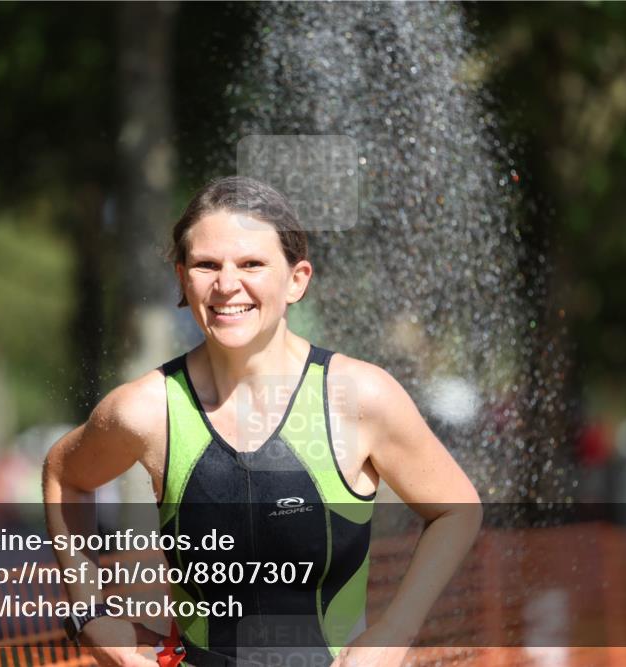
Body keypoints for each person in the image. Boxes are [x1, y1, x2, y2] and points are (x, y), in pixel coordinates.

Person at [43, 176, 483, 667]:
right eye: (207, 265)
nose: (227, 284)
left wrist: (395, 631)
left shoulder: (359, 397)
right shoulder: (147, 410)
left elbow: (457, 510)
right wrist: (90, 612)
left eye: (251, 263)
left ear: (297, 279)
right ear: (182, 278)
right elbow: (65, 475)